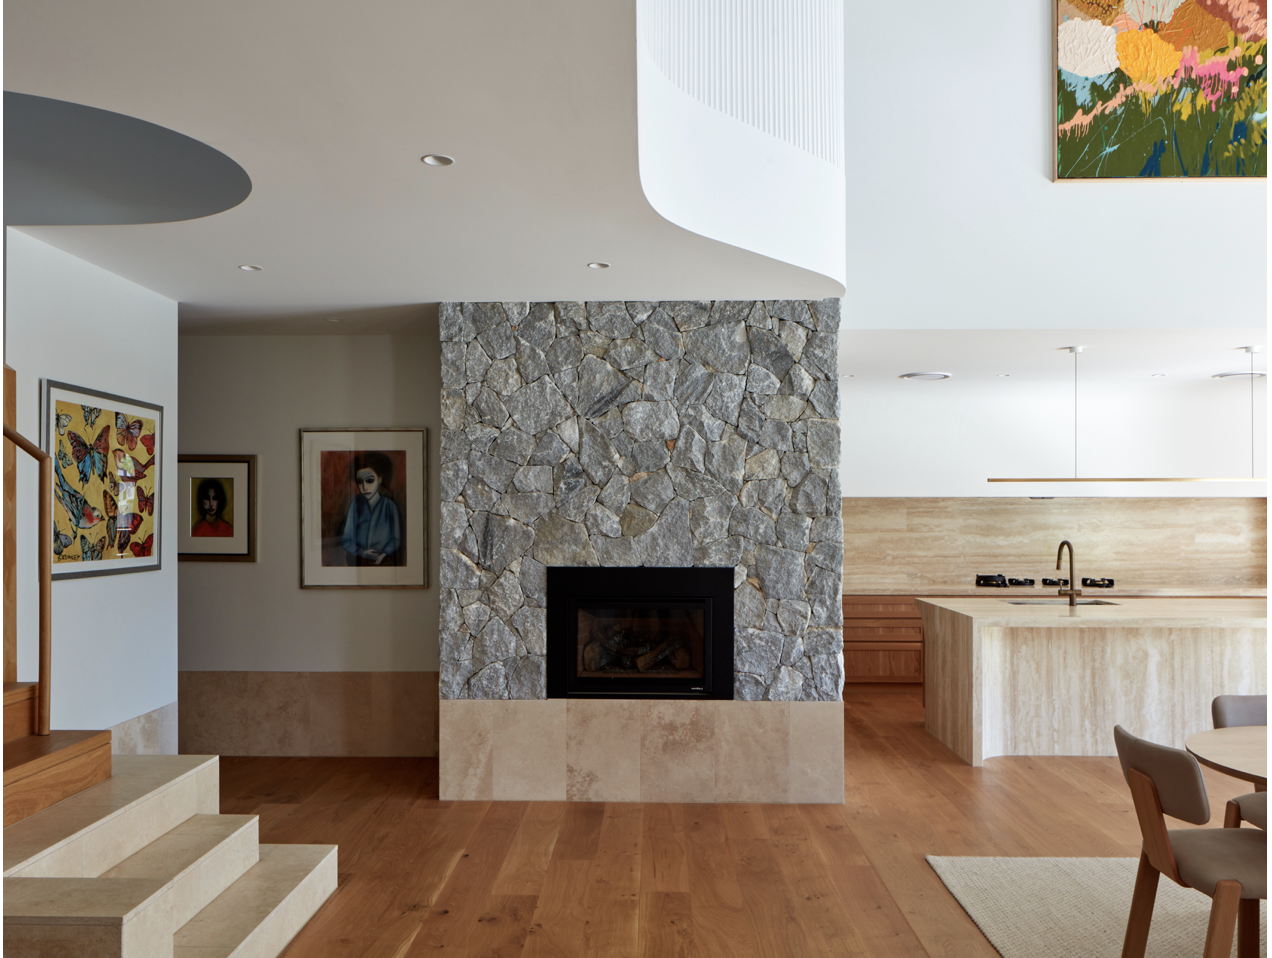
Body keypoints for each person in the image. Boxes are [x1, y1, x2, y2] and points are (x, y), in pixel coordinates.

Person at [341, 452, 400, 565]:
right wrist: (361, 552)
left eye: (369, 480)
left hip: (384, 562)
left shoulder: (389, 506)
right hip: (357, 562)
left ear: (380, 479)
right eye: (359, 482)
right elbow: (346, 538)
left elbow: (396, 539)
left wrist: (384, 553)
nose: (364, 487)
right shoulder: (355, 504)